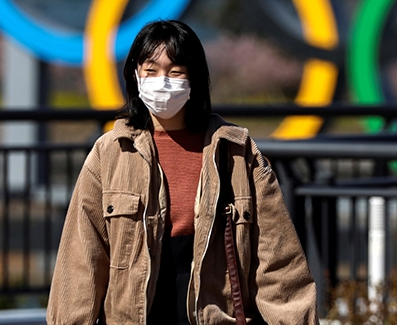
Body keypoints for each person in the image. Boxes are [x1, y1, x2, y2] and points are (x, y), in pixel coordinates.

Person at [47, 20, 317, 325]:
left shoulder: (237, 153)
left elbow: (278, 263)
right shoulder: (110, 153)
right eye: (150, 70)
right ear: (135, 75)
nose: (162, 82)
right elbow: (81, 261)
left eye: (175, 72)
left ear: (195, 78)